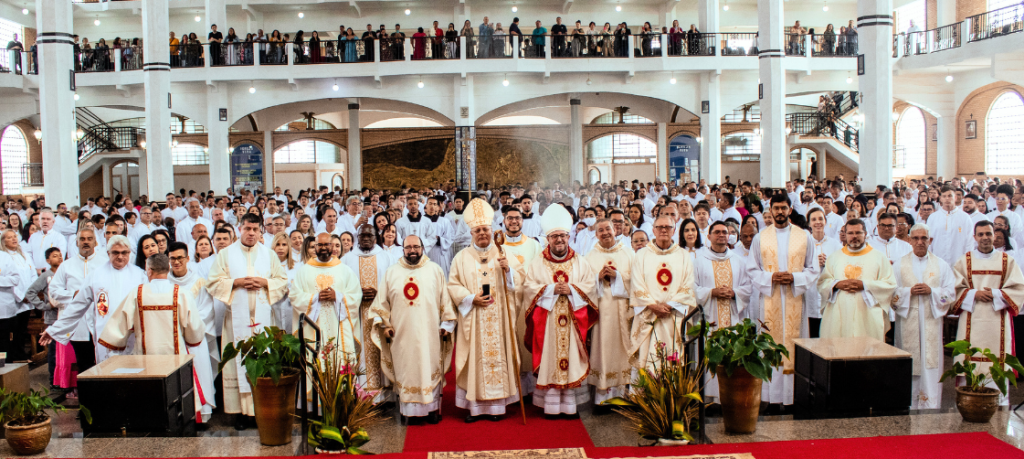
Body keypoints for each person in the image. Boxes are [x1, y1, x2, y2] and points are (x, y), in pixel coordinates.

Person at [206, 213, 289, 430]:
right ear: (239, 229)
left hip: (262, 321)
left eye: (255, 229)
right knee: (238, 363)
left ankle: (261, 410)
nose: (251, 233)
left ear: (261, 230)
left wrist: (264, 282)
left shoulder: (269, 254)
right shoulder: (225, 254)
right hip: (235, 321)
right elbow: (213, 282)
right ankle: (243, 414)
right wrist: (236, 282)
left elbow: (282, 281)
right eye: (247, 229)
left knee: (262, 360)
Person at [97, 253, 208, 411]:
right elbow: (194, 328)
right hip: (176, 356)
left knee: (148, 398)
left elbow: (119, 325)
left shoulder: (137, 293)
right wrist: (191, 338)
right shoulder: (181, 293)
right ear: (168, 269)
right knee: (177, 393)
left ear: (148, 270)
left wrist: (115, 341)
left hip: (145, 356)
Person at [446, 198, 523, 422]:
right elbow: (453, 285)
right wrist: (471, 298)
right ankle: (475, 408)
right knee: (475, 361)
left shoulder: (502, 254)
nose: (483, 233)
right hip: (475, 318)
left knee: (498, 358)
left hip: (498, 319)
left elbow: (516, 284)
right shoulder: (461, 258)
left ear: (492, 231)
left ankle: (497, 407)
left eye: (486, 229)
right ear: (471, 232)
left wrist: (508, 271)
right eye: (478, 230)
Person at [368, 235, 455, 424]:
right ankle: (408, 412)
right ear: (403, 249)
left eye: (416, 246)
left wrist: (447, 324)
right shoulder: (392, 272)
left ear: (423, 248)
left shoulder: (435, 270)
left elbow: (445, 301)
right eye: (408, 247)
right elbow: (381, 303)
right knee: (407, 370)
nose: (412, 250)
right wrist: (384, 324)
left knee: (428, 367)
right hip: (402, 335)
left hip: (430, 333)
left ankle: (432, 410)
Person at [745, 194, 818, 408]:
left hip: (795, 298)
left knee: (795, 346)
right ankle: (770, 398)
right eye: (776, 208)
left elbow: (813, 269)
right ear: (770, 209)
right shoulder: (761, 237)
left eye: (784, 208)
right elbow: (752, 268)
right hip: (770, 298)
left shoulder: (804, 236)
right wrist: (770, 278)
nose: (780, 212)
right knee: (770, 344)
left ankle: (794, 397)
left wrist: (795, 277)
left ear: (790, 209)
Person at [523, 204, 597, 416]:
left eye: (563, 236)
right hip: (548, 322)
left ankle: (570, 404)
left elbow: (590, 285)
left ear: (568, 237)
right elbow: (529, 287)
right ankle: (552, 404)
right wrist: (551, 289)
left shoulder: (580, 262)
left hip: (573, 320)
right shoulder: (538, 263)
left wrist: (572, 289)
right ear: (548, 239)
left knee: (572, 359)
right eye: (555, 236)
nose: (559, 240)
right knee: (550, 358)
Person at [40, 235, 147, 367]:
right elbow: (77, 306)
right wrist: (54, 329)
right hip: (106, 334)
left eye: (124, 253)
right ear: (108, 253)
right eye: (115, 252)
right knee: (108, 372)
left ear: (130, 253)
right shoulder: (96, 275)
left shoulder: (140, 275)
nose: (120, 257)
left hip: (132, 333)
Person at [950, 220, 1024, 406]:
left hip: (997, 318)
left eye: (989, 234)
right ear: (974, 237)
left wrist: (995, 294)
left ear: (995, 236)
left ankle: (998, 405)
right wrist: (974, 293)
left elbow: (1019, 289)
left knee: (996, 361)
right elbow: (953, 290)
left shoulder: (1007, 261)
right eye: (981, 234)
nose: (985, 238)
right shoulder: (964, 260)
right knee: (969, 359)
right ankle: (969, 403)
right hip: (971, 316)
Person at [290, 232, 362, 402]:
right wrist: (315, 298)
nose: (323, 248)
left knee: (341, 363)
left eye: (327, 244)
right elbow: (294, 296)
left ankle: (342, 409)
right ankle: (316, 411)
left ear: (333, 246)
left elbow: (355, 296)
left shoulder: (344, 270)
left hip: (339, 328)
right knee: (316, 365)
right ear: (314, 246)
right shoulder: (304, 271)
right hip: (314, 329)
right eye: (320, 245)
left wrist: (338, 297)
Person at [892, 224, 955, 410]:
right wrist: (907, 292)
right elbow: (890, 292)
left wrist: (933, 292)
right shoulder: (899, 264)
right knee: (909, 360)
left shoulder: (941, 265)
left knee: (930, 362)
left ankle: (930, 404)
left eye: (924, 238)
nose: (920, 242)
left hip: (931, 322)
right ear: (910, 240)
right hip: (907, 321)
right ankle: (907, 403)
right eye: (916, 238)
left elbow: (951, 293)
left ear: (930, 241)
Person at [629, 214, 696, 369]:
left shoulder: (683, 255)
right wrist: (653, 306)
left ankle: (671, 394)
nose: (664, 230)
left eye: (668, 227)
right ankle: (646, 394)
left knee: (671, 361)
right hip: (649, 316)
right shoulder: (642, 255)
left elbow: (688, 285)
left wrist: (670, 305)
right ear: (653, 230)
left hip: (673, 317)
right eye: (660, 227)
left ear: (674, 230)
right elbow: (637, 283)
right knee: (647, 361)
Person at [694, 221, 751, 400]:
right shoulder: (698, 260)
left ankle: (729, 397)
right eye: (717, 232)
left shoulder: (738, 261)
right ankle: (710, 399)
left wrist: (735, 293)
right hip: (709, 318)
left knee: (732, 353)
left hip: (733, 318)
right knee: (709, 355)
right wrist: (711, 292)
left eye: (724, 232)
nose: (721, 235)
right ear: (709, 236)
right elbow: (690, 287)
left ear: (729, 236)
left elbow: (748, 287)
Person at [340, 225, 394, 401]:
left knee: (381, 349)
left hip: (379, 314)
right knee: (360, 351)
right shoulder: (347, 259)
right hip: (356, 315)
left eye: (369, 235)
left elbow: (392, 284)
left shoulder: (386, 257)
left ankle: (384, 397)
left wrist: (379, 292)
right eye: (362, 235)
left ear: (375, 237)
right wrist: (358, 294)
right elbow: (341, 287)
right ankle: (360, 393)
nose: (365, 238)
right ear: (357, 237)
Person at [818, 219, 897, 340]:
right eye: (850, 233)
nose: (854, 236)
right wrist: (837, 284)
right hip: (839, 314)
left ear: (865, 234)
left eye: (858, 233)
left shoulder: (879, 257)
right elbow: (822, 283)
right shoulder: (834, 257)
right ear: (845, 235)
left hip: (867, 315)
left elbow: (890, 284)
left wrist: (865, 285)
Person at [167, 241, 219, 422]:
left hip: (194, 338)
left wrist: (185, 327)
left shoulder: (199, 281)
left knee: (200, 373)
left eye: (180, 257)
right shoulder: (164, 282)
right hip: (172, 339)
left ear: (188, 258)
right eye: (172, 258)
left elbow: (206, 311)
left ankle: (201, 415)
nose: (176, 262)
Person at [27, 247, 61, 383]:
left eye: (59, 255)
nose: (58, 258)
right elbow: (30, 292)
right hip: (52, 317)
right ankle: (53, 377)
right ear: (48, 260)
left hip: (64, 315)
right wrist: (44, 306)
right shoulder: (46, 276)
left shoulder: (64, 273)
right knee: (53, 349)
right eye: (54, 256)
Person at [927, 186, 975, 267]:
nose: (947, 199)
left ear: (955, 198)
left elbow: (969, 242)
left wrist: (966, 262)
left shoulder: (965, 217)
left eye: (950, 196)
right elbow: (929, 241)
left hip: (959, 263)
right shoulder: (933, 217)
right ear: (940, 198)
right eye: (944, 196)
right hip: (938, 262)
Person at [423, 196, 454, 276]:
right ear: (426, 205)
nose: (432, 206)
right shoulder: (420, 221)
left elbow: (450, 237)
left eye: (434, 204)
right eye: (430, 204)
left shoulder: (444, 221)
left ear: (438, 207)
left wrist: (439, 239)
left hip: (439, 253)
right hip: (425, 253)